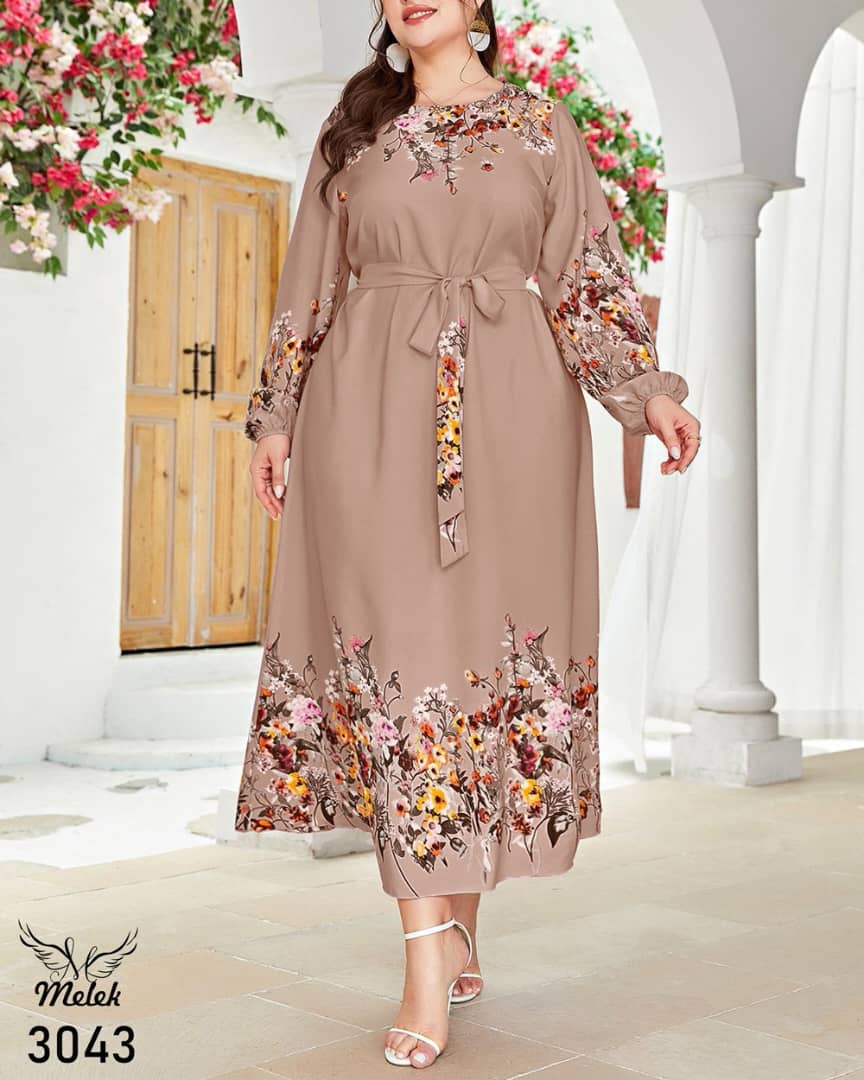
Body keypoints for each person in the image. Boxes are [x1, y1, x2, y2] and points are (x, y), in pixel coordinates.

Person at [233, 0, 701, 1069]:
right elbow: (309, 281)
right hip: (367, 416)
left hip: (512, 418)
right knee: (400, 668)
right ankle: (422, 963)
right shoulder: (355, 129)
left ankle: (460, 920)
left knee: (483, 664)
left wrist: (646, 395)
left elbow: (587, 281)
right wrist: (276, 418)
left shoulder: (541, 127)